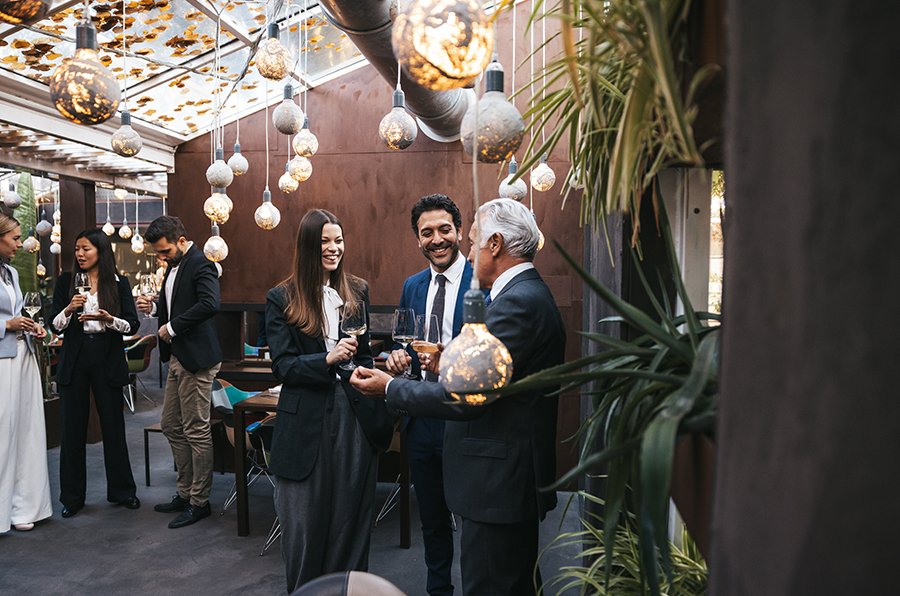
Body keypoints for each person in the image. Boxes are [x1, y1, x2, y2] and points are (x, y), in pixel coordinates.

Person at [351, 198, 566, 596]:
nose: (468, 251)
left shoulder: (515, 302)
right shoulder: (527, 294)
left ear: (495, 244)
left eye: (472, 242)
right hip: (501, 477)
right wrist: (441, 363)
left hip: (497, 482)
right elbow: (492, 373)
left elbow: (466, 396)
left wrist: (390, 388)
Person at [265, 209, 393, 592]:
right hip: (305, 422)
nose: (334, 248)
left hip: (354, 416)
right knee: (304, 528)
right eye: (325, 241)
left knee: (351, 524)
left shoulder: (357, 290)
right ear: (308, 245)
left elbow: (365, 356)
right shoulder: (281, 297)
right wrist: (326, 358)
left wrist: (365, 371)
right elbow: (283, 367)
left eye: (338, 240)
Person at [385, 194, 473, 596]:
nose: (436, 239)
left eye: (444, 230)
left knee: (473, 519)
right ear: (417, 239)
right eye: (427, 233)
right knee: (433, 520)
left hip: (466, 417)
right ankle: (439, 591)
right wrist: (399, 358)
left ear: (458, 231)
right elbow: (401, 345)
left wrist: (451, 360)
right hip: (422, 421)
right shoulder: (412, 285)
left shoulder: (482, 282)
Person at [137, 216, 222, 529]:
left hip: (197, 359)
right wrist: (157, 308)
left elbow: (211, 303)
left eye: (166, 250)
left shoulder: (201, 264)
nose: (162, 256)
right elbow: (178, 301)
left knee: (196, 430)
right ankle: (185, 492)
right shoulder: (174, 265)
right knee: (172, 425)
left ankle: (199, 502)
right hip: (178, 358)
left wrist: (170, 327)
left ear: (182, 241)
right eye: (159, 253)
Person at [49, 229, 141, 518]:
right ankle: (72, 498)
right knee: (72, 430)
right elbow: (55, 325)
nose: (79, 254)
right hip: (74, 358)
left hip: (106, 355)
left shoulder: (118, 283)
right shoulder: (66, 281)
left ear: (100, 251)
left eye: (85, 249)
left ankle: (123, 491)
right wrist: (68, 309)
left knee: (113, 427)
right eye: (77, 249)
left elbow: (133, 324)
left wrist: (109, 319)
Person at [0, 213, 52, 533]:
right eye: (15, 238)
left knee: (28, 431)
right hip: (2, 361)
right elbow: (8, 319)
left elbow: (20, 311)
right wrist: (7, 324)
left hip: (24, 355)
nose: (20, 244)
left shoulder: (11, 273)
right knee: (4, 433)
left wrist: (34, 327)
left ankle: (24, 507)